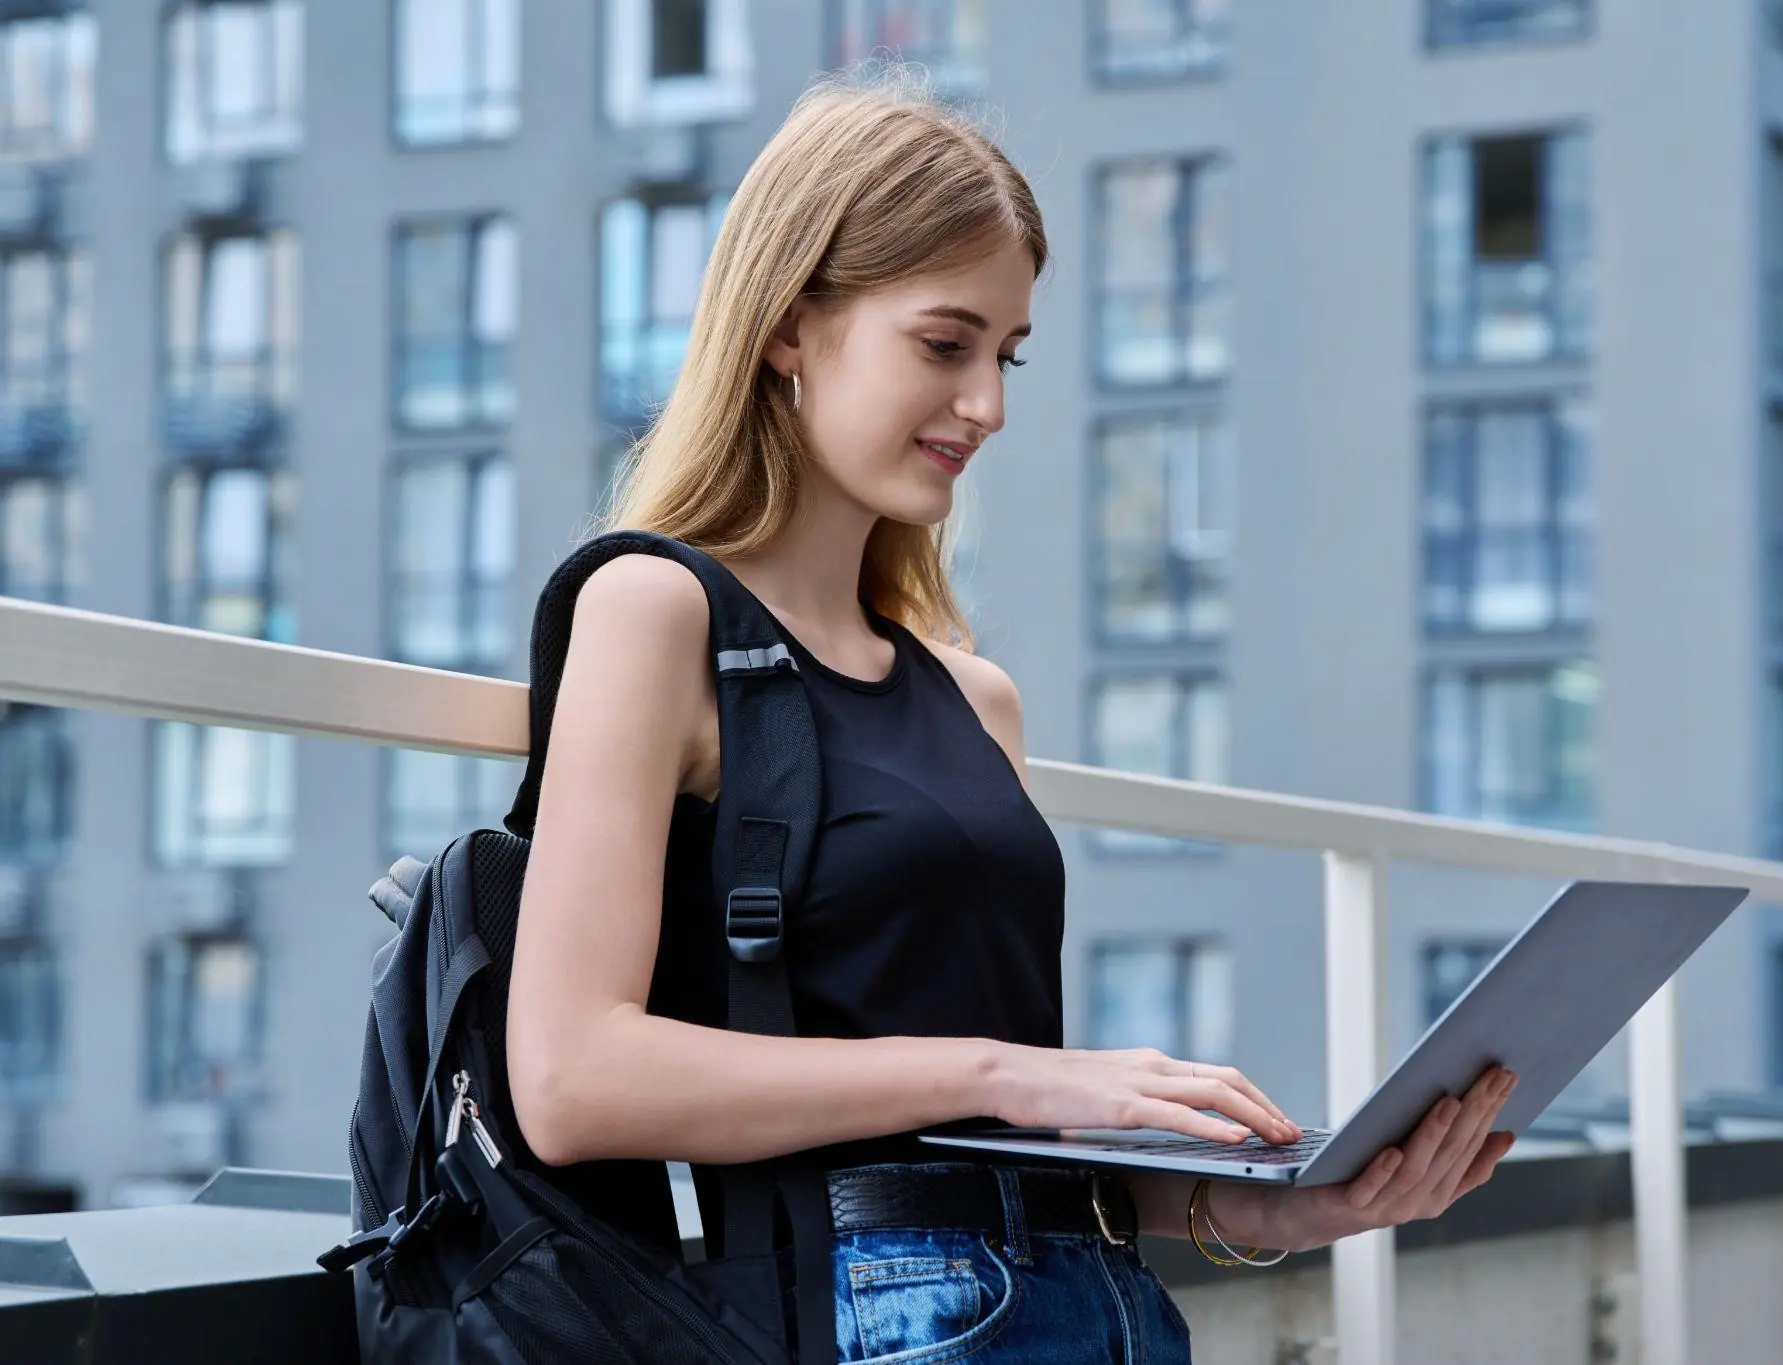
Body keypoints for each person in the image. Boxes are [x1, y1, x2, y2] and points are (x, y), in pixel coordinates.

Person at [504, 68, 1516, 1363]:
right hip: (880, 1314)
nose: (987, 404)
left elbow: (1015, 1136)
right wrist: (1001, 1068)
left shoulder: (973, 695)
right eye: (945, 344)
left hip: (1098, 1302)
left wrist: (1271, 1207)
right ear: (788, 328)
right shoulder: (655, 608)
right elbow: (572, 1080)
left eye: (1007, 355)